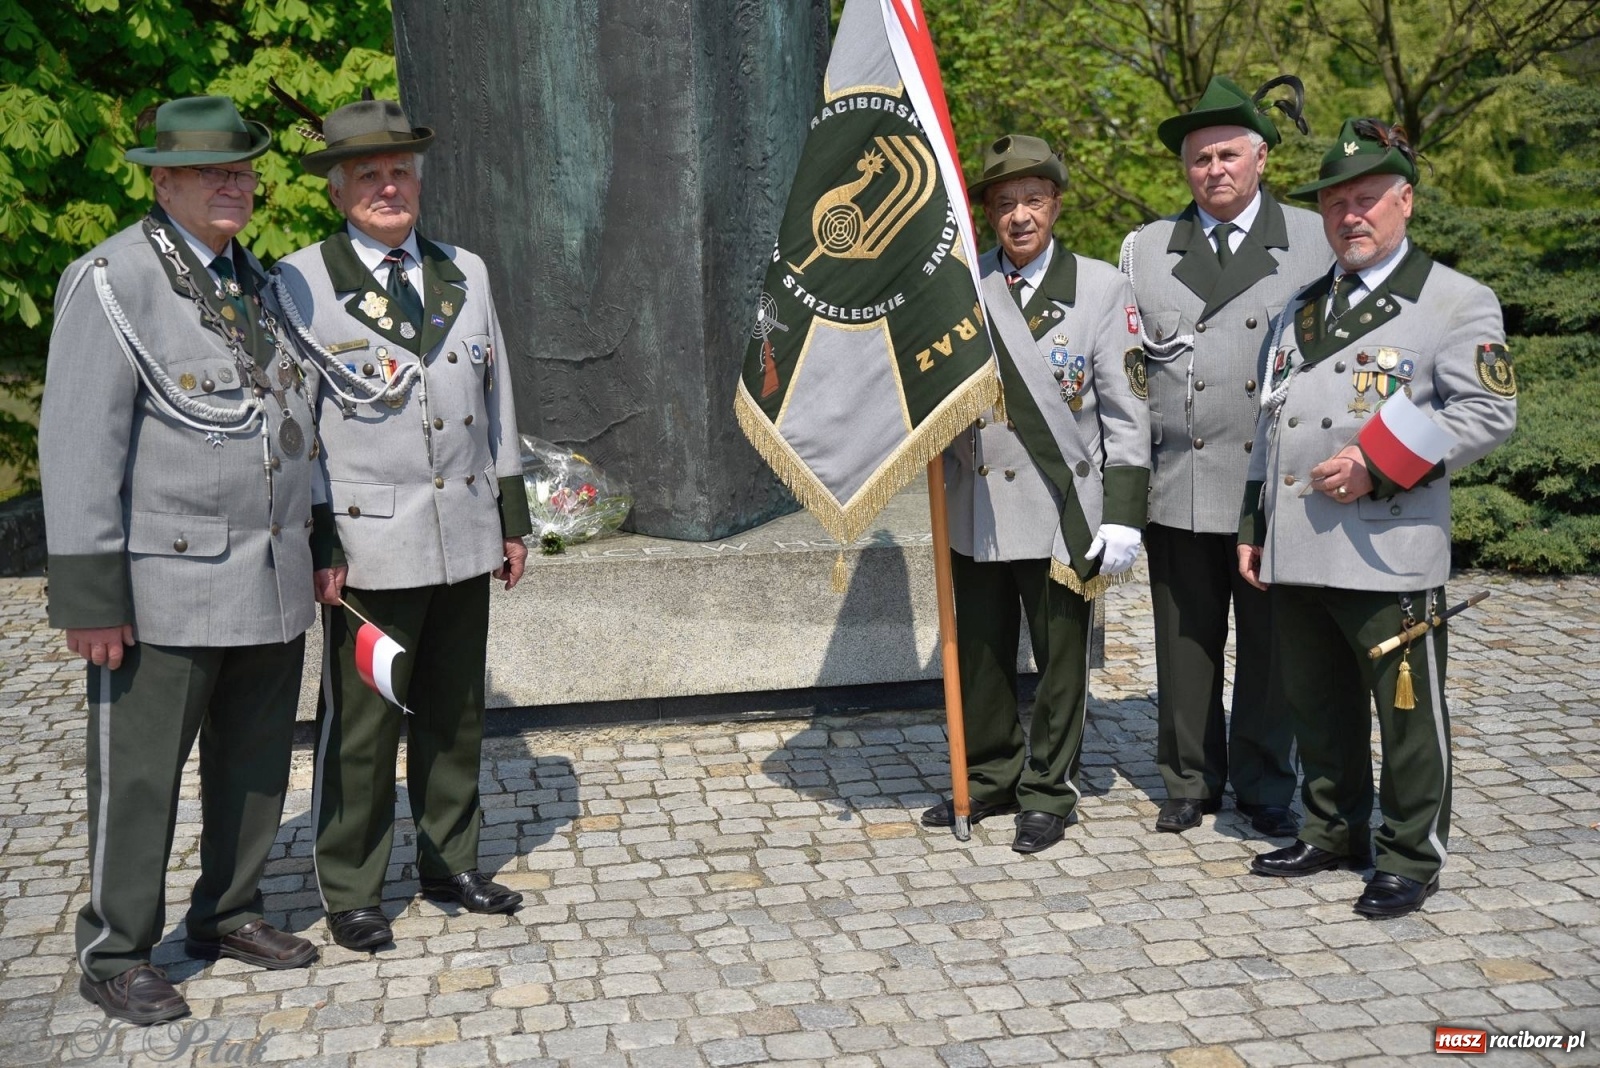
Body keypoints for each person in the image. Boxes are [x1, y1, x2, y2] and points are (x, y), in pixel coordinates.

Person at [39, 96, 320, 1024]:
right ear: (162, 181)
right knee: (143, 776)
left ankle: (228, 910)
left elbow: (296, 427)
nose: (233, 184)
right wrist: (90, 596)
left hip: (269, 576)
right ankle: (115, 950)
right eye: (210, 172)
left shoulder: (260, 282)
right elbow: (79, 447)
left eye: (241, 169)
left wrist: (318, 543)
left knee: (253, 763)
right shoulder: (114, 279)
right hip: (163, 584)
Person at [1238, 118, 1517, 917]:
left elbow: (1488, 414)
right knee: (1315, 705)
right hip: (1299, 544)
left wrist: (1377, 465)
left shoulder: (1454, 301)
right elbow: (1271, 425)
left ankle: (1408, 855)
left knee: (1406, 717)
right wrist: (1253, 526)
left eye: (1366, 200)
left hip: (1388, 546)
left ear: (1406, 202)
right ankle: (1330, 830)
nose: (1349, 216)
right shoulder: (1301, 307)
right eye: (1334, 205)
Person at [271, 97, 531, 951]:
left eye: (401, 172)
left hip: (462, 533)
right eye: (370, 175)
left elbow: (497, 400)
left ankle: (448, 860)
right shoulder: (301, 282)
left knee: (456, 713)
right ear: (339, 191)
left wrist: (511, 515)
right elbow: (296, 428)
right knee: (365, 726)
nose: (390, 187)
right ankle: (352, 887)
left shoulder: (468, 270)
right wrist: (319, 540)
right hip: (370, 548)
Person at [921, 135, 1151, 854]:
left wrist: (1122, 515)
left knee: (1060, 661)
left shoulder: (1102, 290)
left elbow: (1126, 412)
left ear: (1055, 204)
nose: (1019, 215)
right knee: (982, 654)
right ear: (988, 213)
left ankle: (1049, 789)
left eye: (1033, 200)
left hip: (1060, 508)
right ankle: (990, 775)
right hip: (977, 504)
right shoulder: (962, 286)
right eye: (1004, 203)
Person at [1120, 76, 1328, 838]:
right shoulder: (1145, 249)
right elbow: (1129, 373)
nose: (1214, 170)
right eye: (1200, 158)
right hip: (1180, 481)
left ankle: (1268, 780)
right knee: (1183, 640)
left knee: (1271, 646)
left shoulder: (1312, 239)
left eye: (1228, 154)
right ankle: (1188, 777)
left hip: (1273, 484)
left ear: (1261, 157)